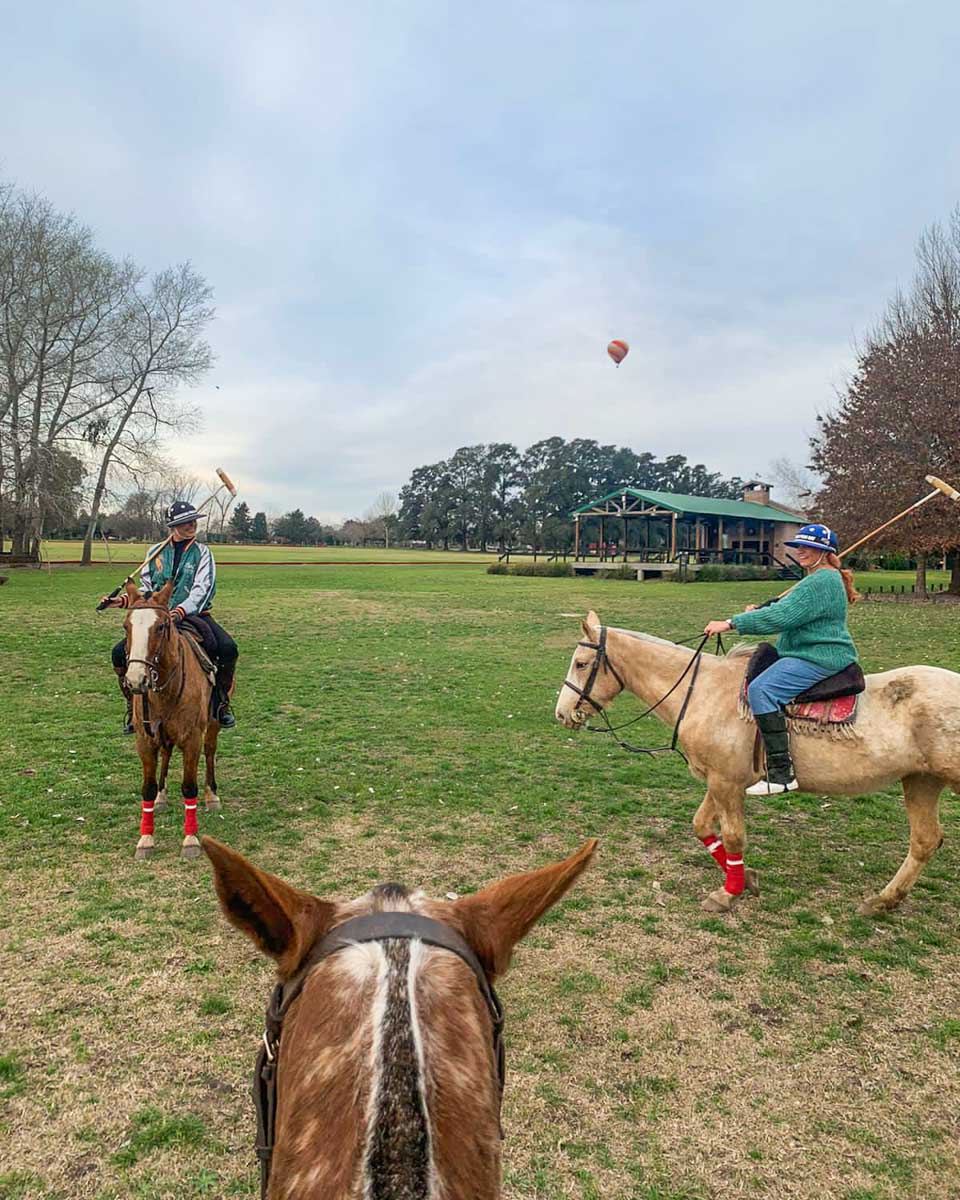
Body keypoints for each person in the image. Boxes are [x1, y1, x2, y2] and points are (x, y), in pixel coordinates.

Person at [703, 523, 859, 796]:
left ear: (825, 552)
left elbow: (782, 617)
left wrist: (731, 623)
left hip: (818, 655)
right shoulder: (818, 578)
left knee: (762, 690)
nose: (801, 551)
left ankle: (781, 774)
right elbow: (788, 607)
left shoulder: (821, 581)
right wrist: (760, 610)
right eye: (799, 546)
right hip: (805, 650)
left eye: (809, 547)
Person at [102, 501, 238, 732]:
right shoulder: (154, 553)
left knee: (227, 648)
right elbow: (146, 590)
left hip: (194, 615)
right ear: (173, 527)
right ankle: (132, 707)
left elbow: (202, 589)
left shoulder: (202, 553)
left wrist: (180, 611)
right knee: (118, 653)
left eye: (193, 521)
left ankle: (221, 704)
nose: (191, 526)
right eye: (185, 523)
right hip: (156, 617)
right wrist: (122, 601)